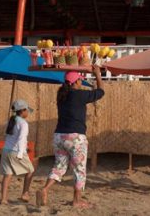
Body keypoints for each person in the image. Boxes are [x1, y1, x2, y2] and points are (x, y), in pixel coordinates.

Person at [36, 65, 105, 208]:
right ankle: (77, 201)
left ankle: (45, 189)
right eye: (79, 80)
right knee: (79, 170)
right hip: (75, 138)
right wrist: (98, 74)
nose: (81, 82)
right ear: (74, 82)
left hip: (59, 136)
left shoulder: (61, 96)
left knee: (59, 167)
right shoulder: (79, 94)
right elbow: (100, 92)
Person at [0, 99, 35, 205]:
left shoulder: (10, 121)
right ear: (23, 110)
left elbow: (10, 136)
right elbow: (21, 138)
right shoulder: (23, 123)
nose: (28, 113)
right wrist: (21, 153)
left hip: (6, 150)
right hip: (16, 151)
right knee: (30, 171)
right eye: (27, 110)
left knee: (7, 175)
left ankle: (3, 199)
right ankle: (25, 193)